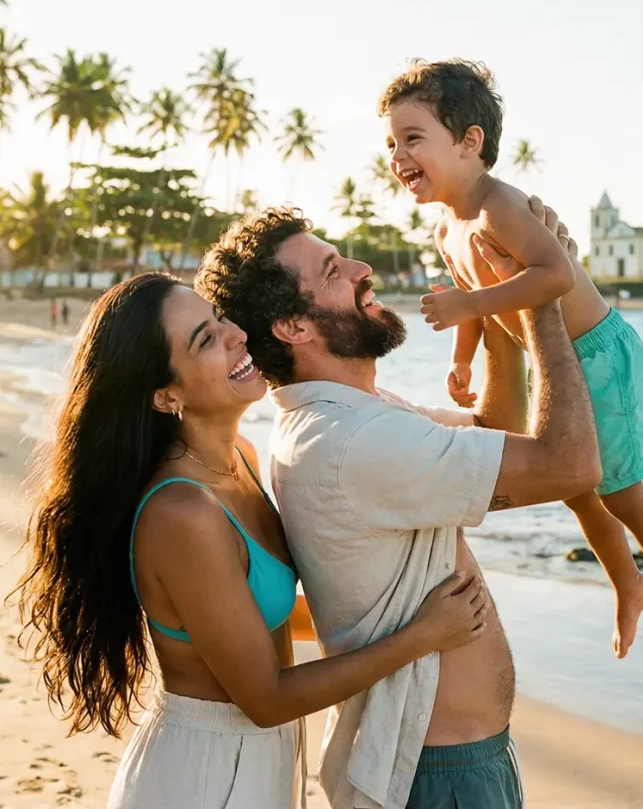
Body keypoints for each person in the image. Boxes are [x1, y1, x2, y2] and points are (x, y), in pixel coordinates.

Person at [15, 272, 492, 809]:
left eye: (219, 319)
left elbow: (257, 612)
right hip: (206, 772)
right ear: (165, 393)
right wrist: (420, 636)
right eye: (205, 339)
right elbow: (266, 698)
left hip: (257, 760)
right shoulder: (183, 513)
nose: (235, 334)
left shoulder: (239, 456)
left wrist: (400, 607)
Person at [196, 205, 601, 809]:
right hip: (437, 772)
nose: (363, 269)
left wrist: (495, 306)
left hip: (455, 761)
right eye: (334, 271)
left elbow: (497, 430)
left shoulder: (353, 415)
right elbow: (569, 465)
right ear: (292, 327)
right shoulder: (350, 441)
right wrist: (543, 293)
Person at [377, 58, 643, 683]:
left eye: (413, 138)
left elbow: (554, 273)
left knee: (621, 491)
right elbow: (476, 292)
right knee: (574, 483)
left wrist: (470, 305)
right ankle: (627, 582)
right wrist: (461, 355)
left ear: (470, 142)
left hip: (598, 354)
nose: (398, 155)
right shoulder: (450, 225)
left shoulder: (501, 205)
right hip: (553, 361)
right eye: (392, 142)